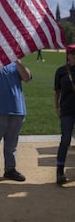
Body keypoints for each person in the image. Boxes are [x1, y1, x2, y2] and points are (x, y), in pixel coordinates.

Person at [0, 59, 31, 185]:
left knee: (11, 144)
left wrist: (18, 62)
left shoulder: (15, 64)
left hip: (17, 109)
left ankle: (10, 169)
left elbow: (27, 77)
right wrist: (0, 58)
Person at [54, 44, 75, 184]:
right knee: (66, 139)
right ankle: (60, 170)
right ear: (67, 55)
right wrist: (57, 108)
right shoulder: (61, 71)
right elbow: (57, 92)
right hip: (67, 110)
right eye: (73, 53)